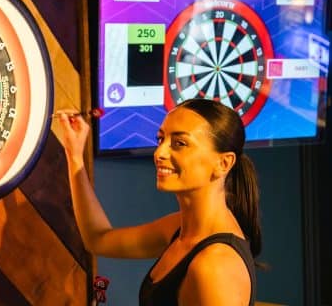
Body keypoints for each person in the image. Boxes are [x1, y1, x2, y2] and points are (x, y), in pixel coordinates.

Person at [57, 98, 262, 306]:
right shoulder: (180, 228)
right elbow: (98, 240)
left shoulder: (214, 266)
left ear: (223, 163)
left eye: (179, 144)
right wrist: (74, 156)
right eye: (160, 139)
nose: (159, 153)